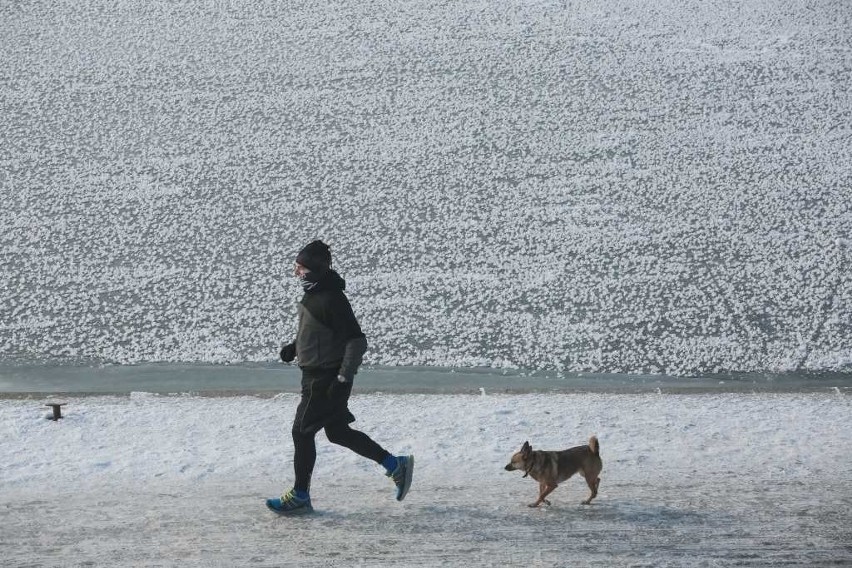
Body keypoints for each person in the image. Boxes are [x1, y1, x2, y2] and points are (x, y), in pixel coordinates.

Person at [267, 240, 414, 514]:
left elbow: (356, 341)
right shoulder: (315, 294)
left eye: (300, 268)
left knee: (301, 432)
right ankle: (395, 465)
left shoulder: (332, 298)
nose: (296, 272)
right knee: (337, 433)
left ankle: (300, 495)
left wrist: (343, 379)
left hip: (325, 380)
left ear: (314, 270)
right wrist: (296, 346)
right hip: (316, 375)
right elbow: (318, 331)